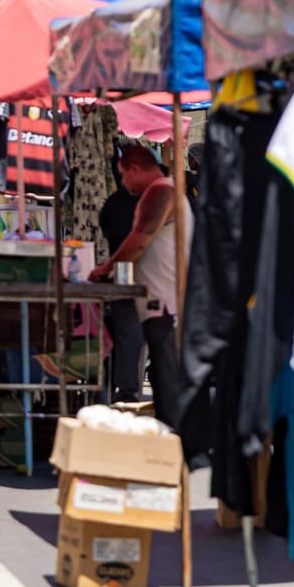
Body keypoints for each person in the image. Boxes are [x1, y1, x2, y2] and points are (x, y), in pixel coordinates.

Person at [91, 144, 192, 439]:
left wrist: (104, 269)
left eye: (123, 176)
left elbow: (138, 241)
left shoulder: (161, 190)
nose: (122, 184)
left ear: (135, 167)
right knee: (164, 390)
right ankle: (172, 455)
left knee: (169, 395)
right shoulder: (165, 189)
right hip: (163, 303)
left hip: (167, 306)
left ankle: (175, 457)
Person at [96, 168, 144, 404]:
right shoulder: (149, 198)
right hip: (135, 270)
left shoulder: (116, 201)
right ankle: (127, 388)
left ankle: (121, 386)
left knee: (125, 326)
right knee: (131, 329)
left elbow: (105, 226)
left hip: (120, 268)